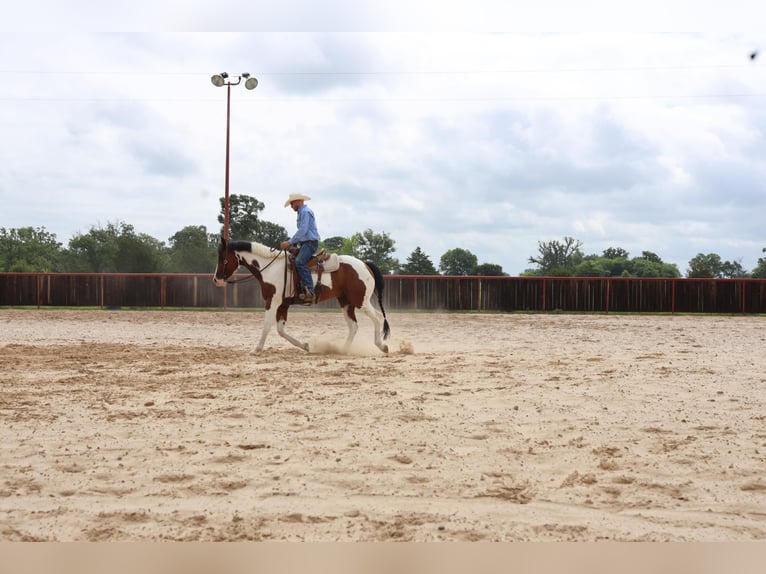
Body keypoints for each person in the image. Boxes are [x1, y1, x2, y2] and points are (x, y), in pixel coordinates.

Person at [280, 193, 320, 303]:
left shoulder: (305, 212)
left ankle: (310, 292)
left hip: (310, 243)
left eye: (292, 203)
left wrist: (289, 242)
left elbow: (303, 230)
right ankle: (300, 289)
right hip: (305, 243)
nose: (291, 206)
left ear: (299, 201)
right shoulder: (302, 212)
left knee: (299, 262)